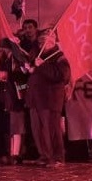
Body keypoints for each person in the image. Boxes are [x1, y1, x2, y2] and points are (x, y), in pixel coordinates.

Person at [23, 29, 71, 168]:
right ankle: (44, 155)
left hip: (49, 100)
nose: (40, 44)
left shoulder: (60, 57)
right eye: (39, 42)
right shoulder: (38, 56)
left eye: (43, 42)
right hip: (36, 100)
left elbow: (62, 76)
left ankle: (57, 157)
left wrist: (42, 66)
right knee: (38, 130)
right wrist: (31, 69)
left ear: (51, 42)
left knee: (52, 130)